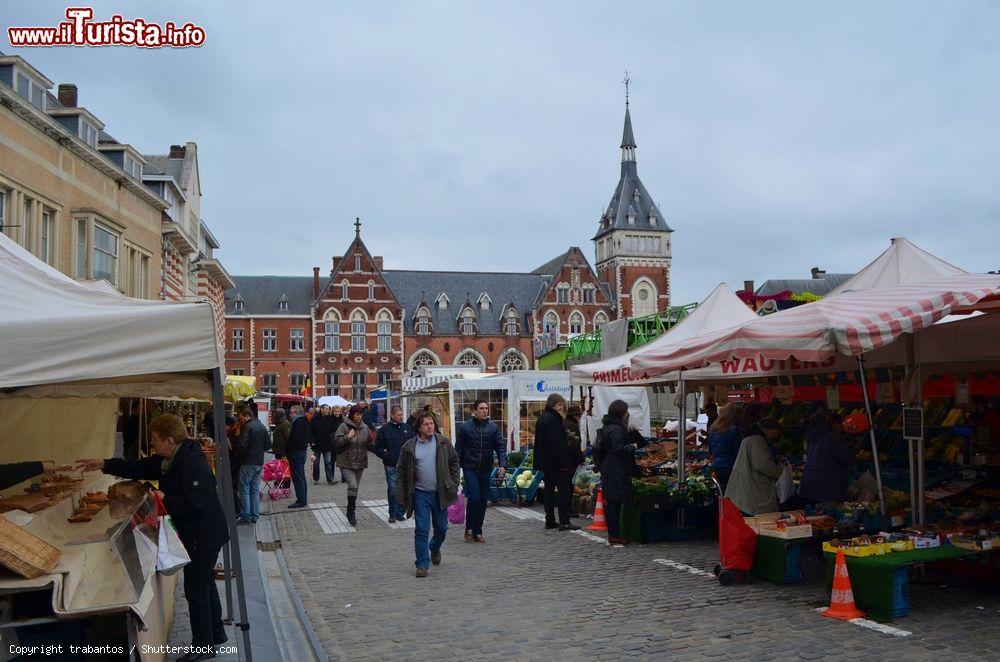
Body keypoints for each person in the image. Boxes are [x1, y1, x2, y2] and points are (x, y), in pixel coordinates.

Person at [87, 414, 229, 662]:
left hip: (203, 535)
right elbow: (139, 467)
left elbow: (196, 504)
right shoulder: (169, 459)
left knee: (196, 589)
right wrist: (104, 463)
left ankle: (203, 646)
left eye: (155, 440)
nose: (153, 444)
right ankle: (215, 635)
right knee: (205, 583)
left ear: (169, 440)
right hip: (199, 534)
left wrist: (164, 498)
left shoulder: (192, 463)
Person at [394, 411, 460, 578]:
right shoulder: (409, 447)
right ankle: (422, 564)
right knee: (422, 529)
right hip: (420, 494)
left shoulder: (443, 442)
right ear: (419, 428)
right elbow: (401, 472)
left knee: (442, 528)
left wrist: (453, 483)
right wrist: (400, 495)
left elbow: (454, 462)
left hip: (440, 493)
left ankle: (434, 547)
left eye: (431, 423)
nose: (430, 426)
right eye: (426, 424)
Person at [455, 398, 506, 543]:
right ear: (474, 410)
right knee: (474, 497)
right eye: (481, 408)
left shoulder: (493, 427)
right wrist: (454, 468)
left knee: (483, 500)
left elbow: (500, 447)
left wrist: (503, 464)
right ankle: (469, 528)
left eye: (486, 408)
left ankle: (478, 530)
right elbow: (458, 449)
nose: (484, 411)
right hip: (470, 467)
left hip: (486, 468)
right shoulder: (465, 427)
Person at [534, 393, 580, 531]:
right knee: (564, 490)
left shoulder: (543, 418)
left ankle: (550, 520)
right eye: (559, 404)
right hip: (554, 462)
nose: (561, 407)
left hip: (545, 462)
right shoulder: (553, 420)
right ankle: (564, 521)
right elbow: (556, 444)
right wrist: (563, 463)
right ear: (553, 404)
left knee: (548, 491)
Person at [598, 400, 638, 546]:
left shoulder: (608, 426)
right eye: (626, 411)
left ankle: (614, 534)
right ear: (621, 412)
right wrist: (632, 447)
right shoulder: (615, 428)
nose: (628, 414)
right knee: (614, 503)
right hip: (616, 470)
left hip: (610, 468)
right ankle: (614, 535)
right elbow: (619, 449)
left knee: (612, 503)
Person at [725, 418, 784, 516]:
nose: (775, 436)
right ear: (768, 429)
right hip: (753, 488)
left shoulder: (751, 438)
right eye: (774, 433)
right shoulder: (757, 440)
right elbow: (762, 465)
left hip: (746, 486)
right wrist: (780, 472)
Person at [799, 414, 854, 505]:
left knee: (813, 516)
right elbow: (846, 457)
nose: (843, 429)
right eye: (842, 425)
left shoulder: (813, 435)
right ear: (835, 425)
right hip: (827, 487)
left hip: (809, 484)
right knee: (826, 516)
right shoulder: (834, 437)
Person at [334, 405, 373, 526]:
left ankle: (351, 510)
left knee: (355, 489)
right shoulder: (344, 426)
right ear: (352, 415)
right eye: (357, 414)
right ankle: (351, 512)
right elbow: (336, 442)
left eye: (360, 414)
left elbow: (369, 443)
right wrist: (348, 436)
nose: (359, 417)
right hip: (346, 461)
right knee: (353, 486)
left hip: (360, 461)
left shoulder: (365, 427)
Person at [374, 405, 413, 522]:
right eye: (398, 415)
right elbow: (378, 447)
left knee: (406, 488)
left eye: (402, 415)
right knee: (393, 489)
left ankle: (400, 512)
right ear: (392, 415)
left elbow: (413, 443)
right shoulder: (384, 429)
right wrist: (387, 456)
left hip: (406, 464)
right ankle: (392, 513)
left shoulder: (407, 427)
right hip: (391, 464)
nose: (401, 417)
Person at [235, 404, 270, 524]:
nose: (240, 420)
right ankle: (254, 515)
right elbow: (268, 445)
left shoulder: (247, 427)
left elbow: (242, 445)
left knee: (244, 489)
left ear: (247, 416)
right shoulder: (261, 426)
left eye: (241, 417)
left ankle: (246, 515)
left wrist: (239, 456)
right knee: (254, 490)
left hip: (248, 462)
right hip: (259, 462)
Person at [707, 403, 743, 489]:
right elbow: (738, 452)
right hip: (731, 467)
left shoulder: (713, 428)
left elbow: (711, 450)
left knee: (723, 491)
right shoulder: (734, 430)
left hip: (717, 466)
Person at [286, 405, 311, 509]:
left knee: (298, 477)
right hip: (300, 452)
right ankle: (302, 498)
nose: (290, 415)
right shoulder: (303, 421)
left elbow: (296, 439)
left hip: (296, 452)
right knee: (300, 476)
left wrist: (288, 450)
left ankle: (301, 500)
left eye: (291, 413)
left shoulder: (298, 422)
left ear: (296, 413)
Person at [310, 404, 339, 485]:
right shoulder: (314, 419)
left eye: (328, 409)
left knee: (328, 462)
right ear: (321, 409)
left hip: (327, 445)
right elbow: (310, 431)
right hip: (316, 445)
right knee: (316, 463)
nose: (328, 411)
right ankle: (316, 479)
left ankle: (330, 479)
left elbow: (334, 429)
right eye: (326, 409)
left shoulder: (330, 419)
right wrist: (311, 441)